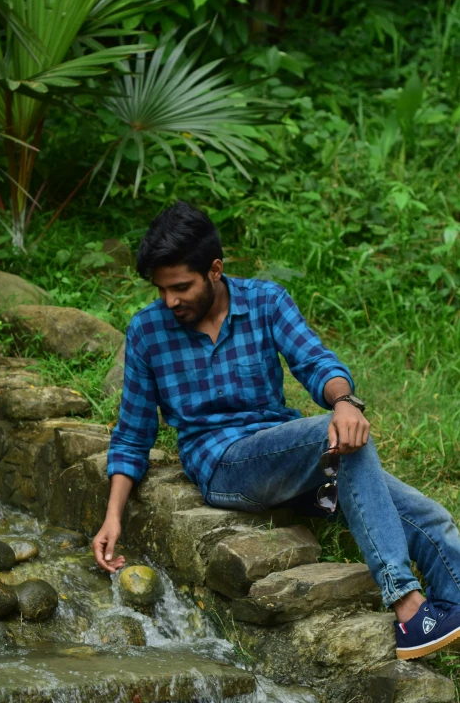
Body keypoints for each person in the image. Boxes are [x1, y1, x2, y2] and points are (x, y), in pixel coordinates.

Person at [92, 200, 460, 660]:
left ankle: (448, 616)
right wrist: (113, 516)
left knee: (428, 516)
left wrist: (344, 401)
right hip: (223, 464)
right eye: (162, 290)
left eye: (181, 287)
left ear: (215, 270)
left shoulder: (266, 302)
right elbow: (132, 434)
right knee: (334, 434)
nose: (171, 301)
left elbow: (316, 362)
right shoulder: (147, 331)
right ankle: (407, 604)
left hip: (285, 456)